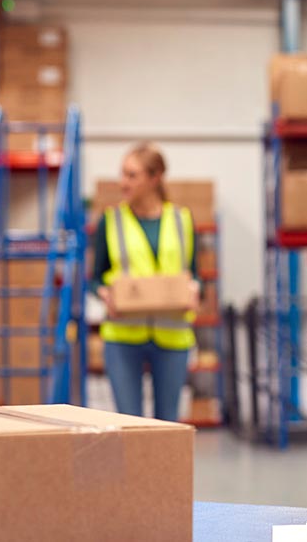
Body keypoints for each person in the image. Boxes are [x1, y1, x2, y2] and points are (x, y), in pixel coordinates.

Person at [92, 142, 199, 421]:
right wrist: (104, 294)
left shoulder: (182, 220)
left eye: (132, 175)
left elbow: (194, 272)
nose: (123, 182)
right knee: (129, 425)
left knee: (167, 425)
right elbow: (94, 278)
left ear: (155, 178)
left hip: (173, 335)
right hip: (123, 336)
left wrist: (195, 288)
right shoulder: (111, 221)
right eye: (122, 174)